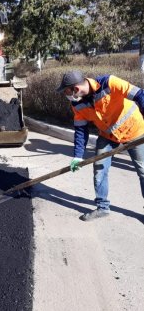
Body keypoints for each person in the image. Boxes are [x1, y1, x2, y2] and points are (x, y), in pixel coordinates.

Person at [56, 70, 144, 221]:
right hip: (107, 136)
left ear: (76, 89)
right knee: (99, 169)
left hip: (134, 131)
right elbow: (80, 131)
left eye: (66, 91)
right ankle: (102, 207)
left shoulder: (109, 83)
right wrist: (77, 156)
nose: (66, 95)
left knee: (143, 171)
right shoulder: (76, 104)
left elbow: (140, 95)